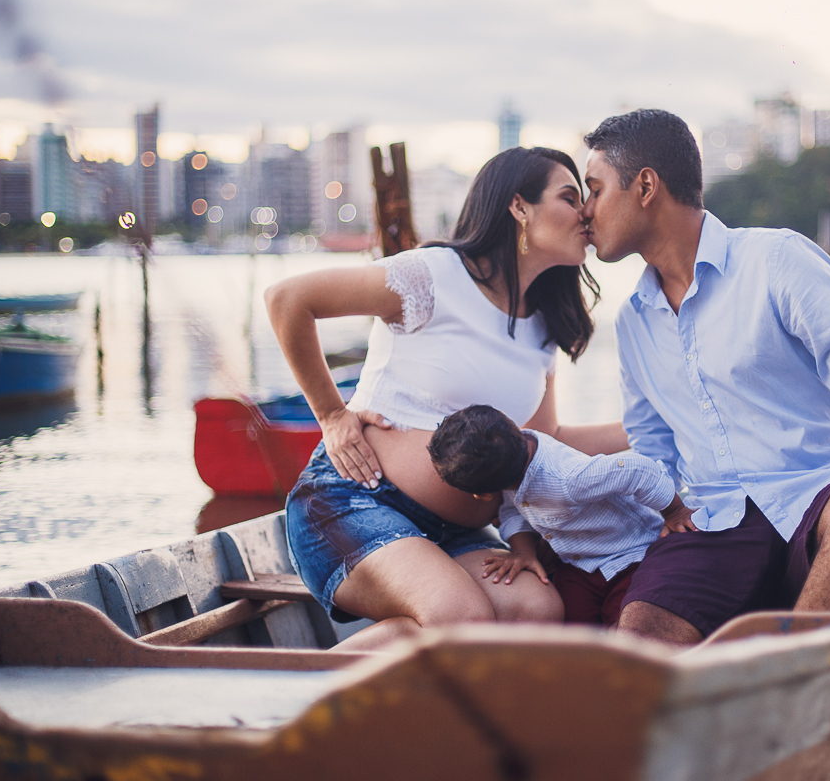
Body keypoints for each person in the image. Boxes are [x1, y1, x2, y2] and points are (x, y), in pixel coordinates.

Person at [579, 109, 830, 647]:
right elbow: (654, 451)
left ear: (645, 186)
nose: (586, 210)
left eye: (595, 190)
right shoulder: (634, 321)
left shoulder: (777, 260)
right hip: (713, 525)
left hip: (824, 503)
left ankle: (789, 670)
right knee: (642, 637)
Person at [265, 147, 629, 650]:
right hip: (353, 500)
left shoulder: (543, 327)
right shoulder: (433, 276)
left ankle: (352, 678)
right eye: (570, 197)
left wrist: (653, 428)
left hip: (451, 532)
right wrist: (331, 414)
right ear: (519, 207)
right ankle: (299, 691)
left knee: (538, 610)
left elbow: (545, 440)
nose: (586, 212)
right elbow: (288, 300)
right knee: (461, 613)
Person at [426, 404, 697, 626]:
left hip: (630, 557)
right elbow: (511, 509)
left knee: (628, 623)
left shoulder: (569, 480)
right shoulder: (514, 456)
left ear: (482, 495)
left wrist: (674, 511)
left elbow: (639, 470)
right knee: (571, 626)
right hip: (578, 564)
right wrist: (523, 552)